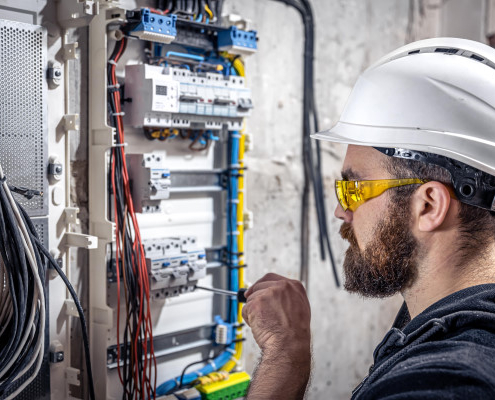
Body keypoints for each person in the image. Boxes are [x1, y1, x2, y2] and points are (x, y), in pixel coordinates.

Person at [242, 37, 495, 399]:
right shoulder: (444, 321)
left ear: (429, 206)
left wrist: (285, 357)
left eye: (354, 190)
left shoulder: (446, 385)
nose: (341, 210)